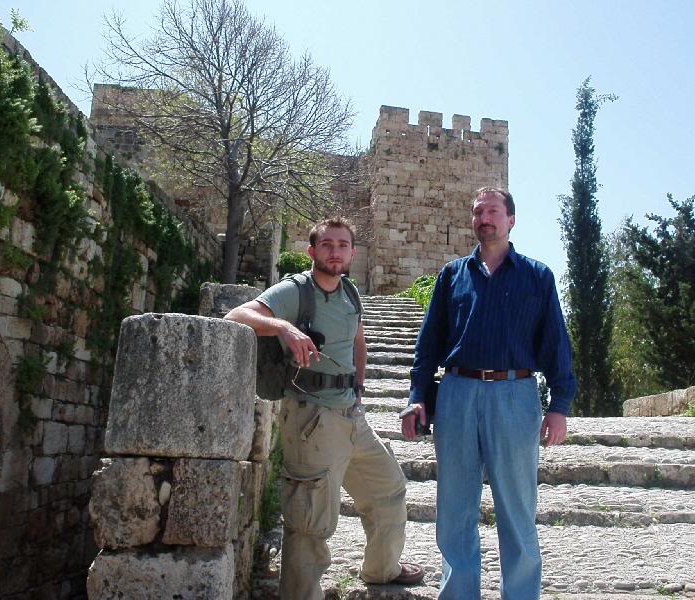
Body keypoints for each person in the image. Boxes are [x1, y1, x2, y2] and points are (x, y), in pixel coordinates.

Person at [225, 217, 424, 600]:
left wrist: (359, 388)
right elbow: (236, 315)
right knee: (310, 522)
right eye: (327, 245)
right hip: (311, 419)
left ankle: (383, 569)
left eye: (343, 245)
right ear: (312, 251)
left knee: (388, 490)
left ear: (352, 252)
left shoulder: (350, 292)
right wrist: (284, 327)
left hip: (351, 416)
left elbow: (358, 342)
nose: (335, 252)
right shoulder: (295, 290)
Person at [402, 188, 576, 599]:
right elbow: (429, 342)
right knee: (454, 507)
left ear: (510, 219)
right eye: (478, 212)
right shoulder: (451, 275)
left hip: (515, 394)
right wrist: (418, 395)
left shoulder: (537, 276)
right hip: (457, 393)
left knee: (517, 507)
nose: (485, 218)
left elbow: (556, 343)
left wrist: (559, 406)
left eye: (493, 211)